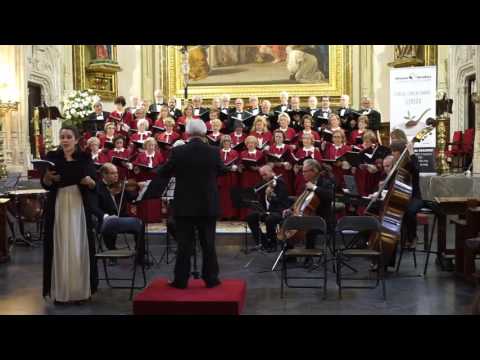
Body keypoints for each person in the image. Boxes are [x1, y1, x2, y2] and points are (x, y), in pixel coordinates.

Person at [147, 119, 228, 289]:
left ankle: (181, 280)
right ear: (204, 132)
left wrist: (154, 170)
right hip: (207, 204)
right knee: (208, 244)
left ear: (188, 133)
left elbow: (164, 171)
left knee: (184, 244)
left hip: (185, 205)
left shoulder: (179, 151)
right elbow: (223, 170)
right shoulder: (213, 151)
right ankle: (211, 279)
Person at [41, 125, 98, 304]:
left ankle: (80, 291)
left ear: (76, 139)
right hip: (58, 204)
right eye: (62, 137)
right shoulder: (52, 157)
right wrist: (48, 179)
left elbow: (94, 182)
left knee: (78, 245)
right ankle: (61, 291)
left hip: (78, 204)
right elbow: (45, 184)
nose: (64, 140)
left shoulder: (84, 157)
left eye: (68, 137)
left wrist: (90, 182)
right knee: (60, 245)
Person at [88, 163, 145, 265]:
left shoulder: (120, 185)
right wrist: (105, 216)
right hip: (105, 219)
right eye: (112, 173)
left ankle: (140, 256)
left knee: (139, 223)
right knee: (110, 223)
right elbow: (93, 207)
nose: (116, 175)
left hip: (121, 217)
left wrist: (141, 190)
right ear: (104, 175)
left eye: (117, 173)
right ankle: (112, 253)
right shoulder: (96, 187)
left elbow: (132, 197)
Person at [284, 159, 335, 253]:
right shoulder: (308, 184)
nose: (302, 174)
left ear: (314, 171)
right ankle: (290, 255)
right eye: (302, 171)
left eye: (305, 171)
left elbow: (329, 196)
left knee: (308, 227)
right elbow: (301, 201)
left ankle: (309, 257)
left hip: (321, 218)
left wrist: (315, 188)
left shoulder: (325, 182)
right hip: (307, 216)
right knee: (288, 221)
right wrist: (291, 209)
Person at [246, 165, 290, 251]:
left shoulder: (280, 182)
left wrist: (270, 195)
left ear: (271, 172)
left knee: (270, 219)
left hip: (279, 211)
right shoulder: (265, 182)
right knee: (251, 217)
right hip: (266, 211)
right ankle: (263, 242)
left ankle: (273, 244)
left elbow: (280, 200)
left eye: (265, 175)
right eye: (262, 175)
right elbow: (254, 190)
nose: (263, 177)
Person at [218, 135, 239, 220]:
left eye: (228, 141)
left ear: (231, 142)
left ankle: (232, 215)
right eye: (224, 142)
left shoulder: (234, 152)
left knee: (231, 196)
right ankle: (222, 215)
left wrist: (236, 167)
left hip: (231, 177)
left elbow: (239, 163)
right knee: (222, 197)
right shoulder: (219, 152)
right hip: (222, 177)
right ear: (222, 143)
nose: (226, 143)